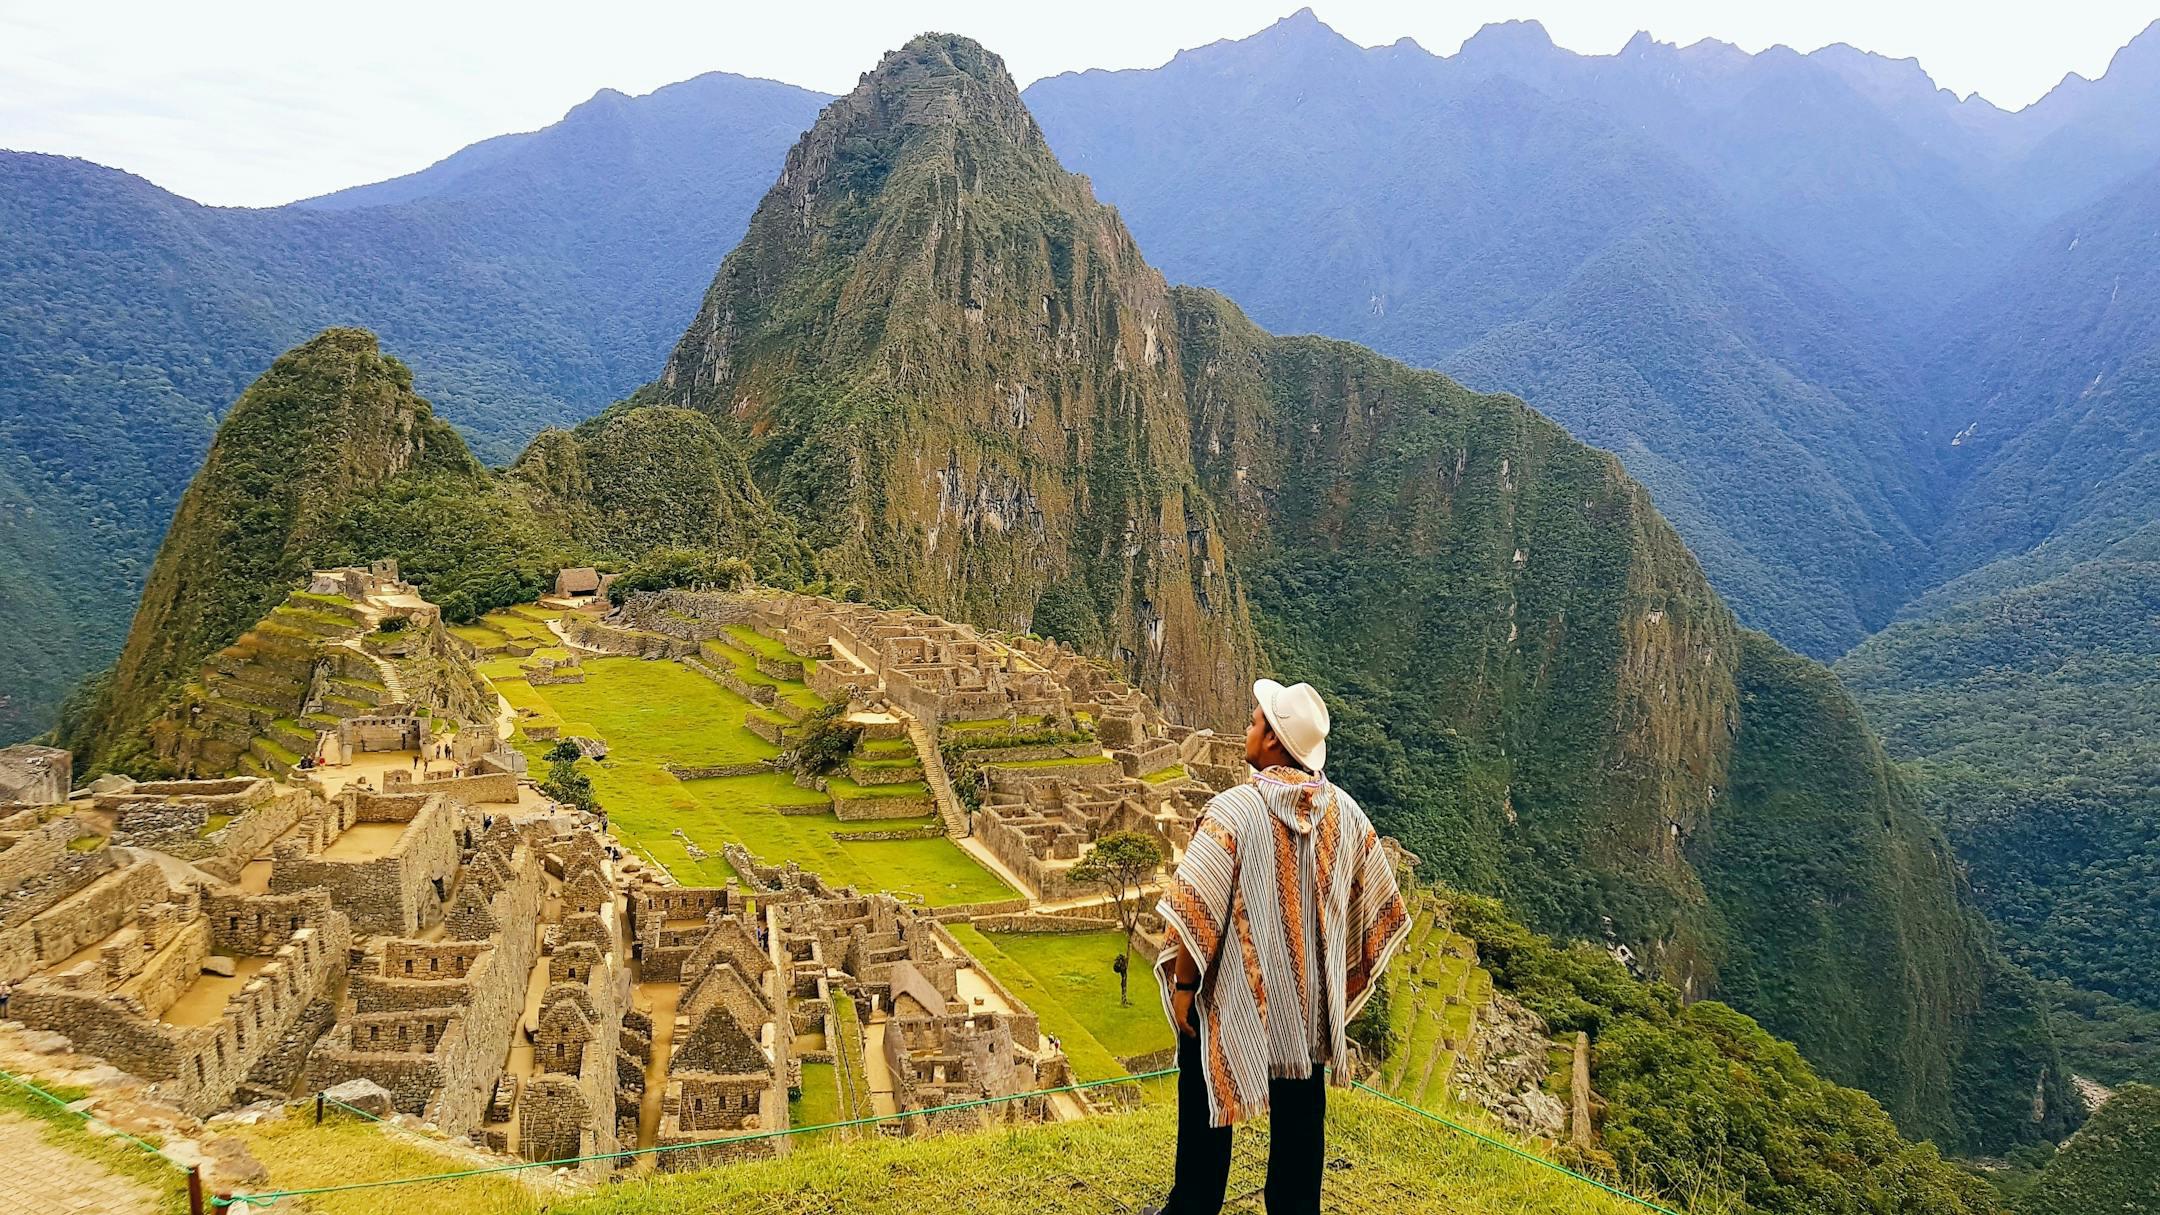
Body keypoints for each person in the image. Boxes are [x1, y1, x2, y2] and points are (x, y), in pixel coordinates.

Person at [1148, 679, 1410, 1215]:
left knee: (1204, 1097)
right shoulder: (1347, 815)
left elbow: (1197, 904)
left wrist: (1184, 984)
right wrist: (1333, 974)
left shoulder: (1234, 812)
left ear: (1272, 741)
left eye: (1253, 721)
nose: (1246, 727)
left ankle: (1192, 1207)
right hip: (1307, 1007)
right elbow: (1375, 902)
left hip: (1236, 999)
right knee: (1301, 1116)